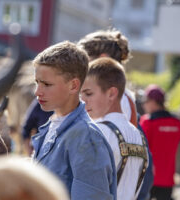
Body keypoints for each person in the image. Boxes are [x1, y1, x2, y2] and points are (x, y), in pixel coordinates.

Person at [31, 41, 117, 200]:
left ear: (73, 86)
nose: (37, 92)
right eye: (37, 83)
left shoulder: (86, 138)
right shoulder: (50, 128)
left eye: (46, 84)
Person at [78, 29, 154, 200]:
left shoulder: (112, 105)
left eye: (85, 60)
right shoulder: (124, 97)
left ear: (103, 57)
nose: (81, 67)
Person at [140, 84, 180, 200]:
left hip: (148, 178)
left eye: (146, 100)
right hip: (168, 179)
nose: (143, 104)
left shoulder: (147, 122)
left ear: (154, 101)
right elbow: (179, 137)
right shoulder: (176, 123)